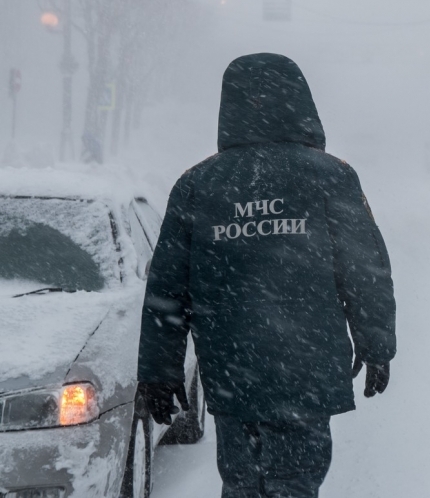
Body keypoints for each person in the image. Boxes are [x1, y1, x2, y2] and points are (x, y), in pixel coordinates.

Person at [137, 53, 397, 498]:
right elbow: (364, 270)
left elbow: (167, 288)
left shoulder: (198, 185)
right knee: (296, 483)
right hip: (306, 367)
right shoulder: (331, 177)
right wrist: (376, 344)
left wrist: (160, 371)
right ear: (301, 103)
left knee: (241, 481)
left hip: (232, 369)